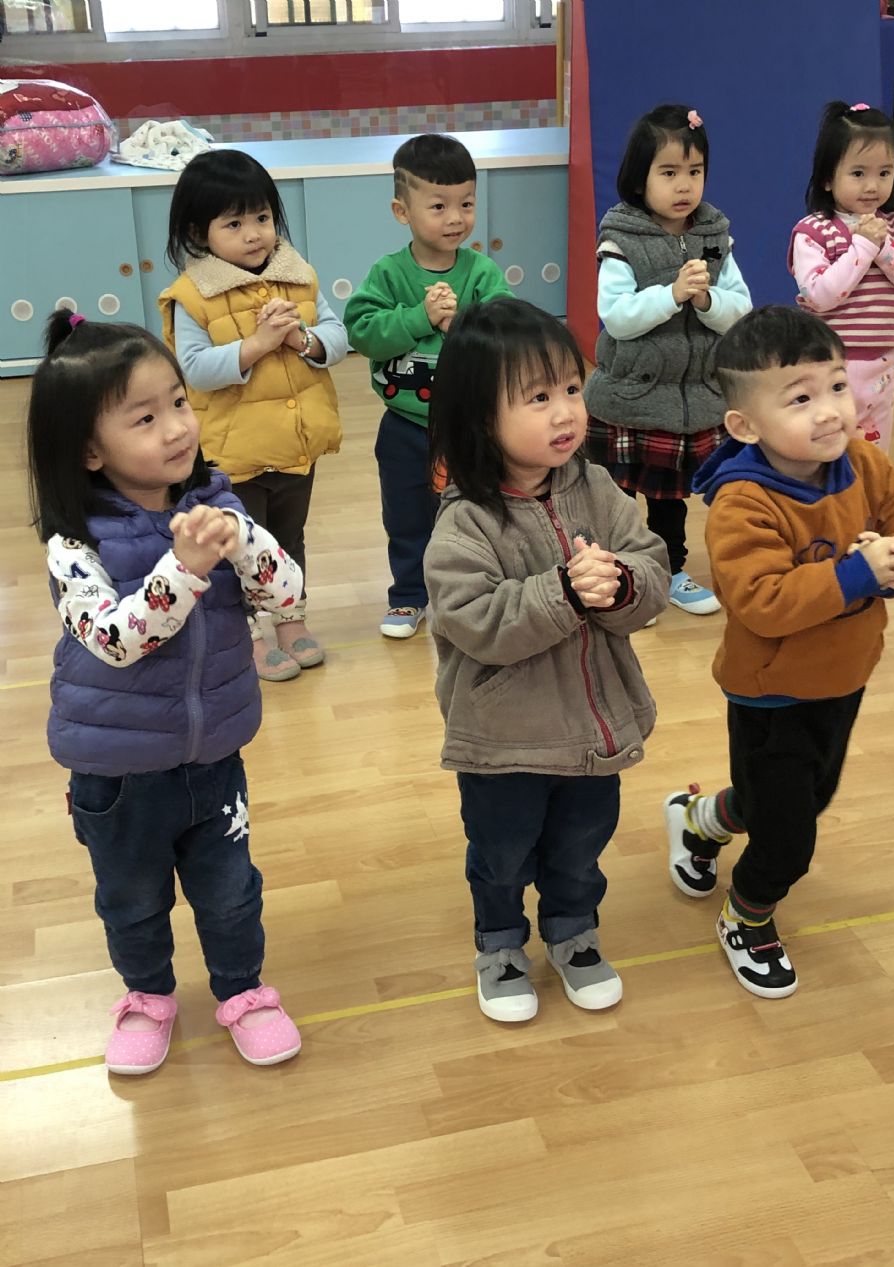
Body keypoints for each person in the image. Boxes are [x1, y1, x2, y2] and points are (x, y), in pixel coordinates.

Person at [26, 310, 304, 1073]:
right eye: (144, 417)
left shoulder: (217, 505)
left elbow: (287, 598)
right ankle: (147, 998)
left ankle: (243, 991)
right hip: (116, 773)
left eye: (178, 402)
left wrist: (245, 542)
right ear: (89, 449)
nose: (177, 427)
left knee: (231, 892)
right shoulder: (74, 544)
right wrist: (183, 568)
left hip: (213, 756)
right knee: (132, 899)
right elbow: (117, 641)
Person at [664, 306, 894, 999]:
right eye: (801, 398)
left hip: (846, 675)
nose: (830, 411)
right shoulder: (744, 502)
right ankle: (748, 915)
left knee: (804, 798)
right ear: (745, 426)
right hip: (771, 691)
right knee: (788, 840)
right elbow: (760, 599)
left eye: (837, 386)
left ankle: (698, 821)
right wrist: (854, 576)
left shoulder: (865, 464)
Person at [424, 298, 670, 1022]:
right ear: (481, 417)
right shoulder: (465, 520)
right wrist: (562, 590)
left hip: (594, 731)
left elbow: (651, 563)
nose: (565, 411)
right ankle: (500, 944)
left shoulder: (596, 488)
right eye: (537, 398)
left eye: (570, 387)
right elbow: (478, 622)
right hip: (504, 743)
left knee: (581, 844)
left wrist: (620, 583)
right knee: (501, 853)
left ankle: (573, 932)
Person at [160, 149, 345, 681]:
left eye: (262, 217)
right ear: (198, 232)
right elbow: (195, 370)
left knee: (289, 538)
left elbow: (336, 337)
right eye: (234, 224)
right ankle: (248, 633)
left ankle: (290, 618)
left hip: (295, 445)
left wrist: (301, 339)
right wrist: (258, 344)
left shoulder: (298, 276)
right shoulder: (192, 295)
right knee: (241, 546)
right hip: (233, 455)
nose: (254, 234)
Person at [584, 103, 752, 620]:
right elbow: (616, 317)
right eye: (669, 172)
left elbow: (741, 309)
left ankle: (669, 571)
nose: (684, 185)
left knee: (668, 500)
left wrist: (707, 300)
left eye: (695, 172)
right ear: (641, 178)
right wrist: (673, 294)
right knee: (615, 498)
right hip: (629, 400)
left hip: (691, 403)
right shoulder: (621, 240)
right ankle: (619, 576)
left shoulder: (715, 237)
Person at [344, 133, 511, 640]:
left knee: (476, 510)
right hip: (405, 424)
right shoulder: (388, 274)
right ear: (402, 211)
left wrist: (467, 324)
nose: (455, 218)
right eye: (438, 206)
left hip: (471, 423)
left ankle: (470, 592)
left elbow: (507, 333)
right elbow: (362, 332)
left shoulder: (482, 272)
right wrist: (419, 316)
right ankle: (408, 596)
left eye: (466, 204)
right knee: (407, 514)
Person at [789, 101, 894, 451]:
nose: (872, 185)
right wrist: (864, 247)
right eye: (858, 173)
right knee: (828, 445)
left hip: (882, 360)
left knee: (873, 449)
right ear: (828, 178)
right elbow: (820, 295)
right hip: (827, 361)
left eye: (884, 173)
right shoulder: (814, 231)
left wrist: (885, 247)